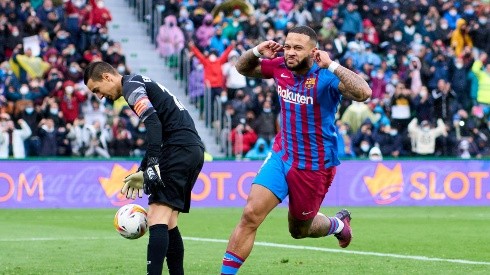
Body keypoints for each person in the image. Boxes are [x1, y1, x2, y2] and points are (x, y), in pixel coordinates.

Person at [220, 26, 371, 274]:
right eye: (288, 46)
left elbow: (364, 92)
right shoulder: (280, 67)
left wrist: (332, 65)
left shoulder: (326, 76)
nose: (290, 52)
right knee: (250, 215)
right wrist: (258, 51)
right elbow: (242, 67)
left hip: (314, 167)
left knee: (299, 231)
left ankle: (336, 225)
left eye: (298, 48)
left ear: (314, 52)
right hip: (282, 155)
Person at [83, 61, 204, 275]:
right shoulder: (137, 82)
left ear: (107, 78)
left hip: (178, 149)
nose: (100, 96)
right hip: (190, 149)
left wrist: (153, 166)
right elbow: (161, 127)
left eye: (97, 90)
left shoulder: (131, 88)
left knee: (156, 216)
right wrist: (143, 167)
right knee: (168, 222)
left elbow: (154, 123)